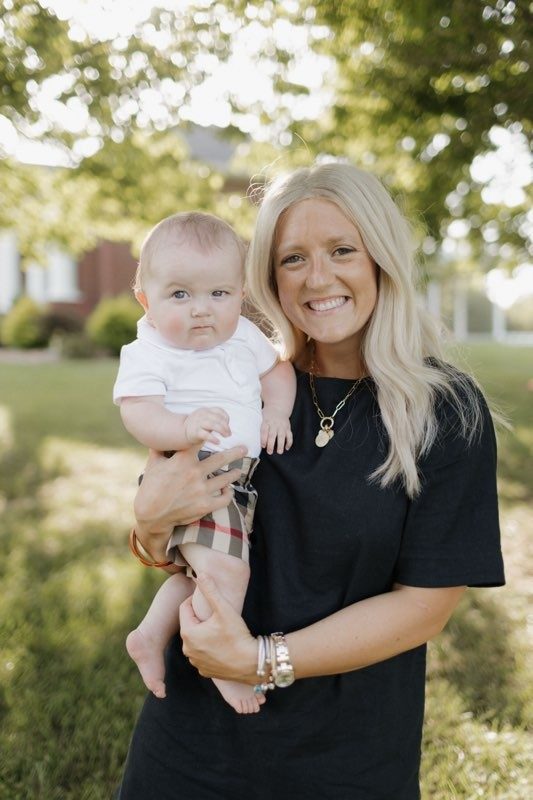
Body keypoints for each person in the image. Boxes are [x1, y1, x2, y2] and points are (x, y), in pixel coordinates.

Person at [116, 163, 504, 800]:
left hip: (345, 754)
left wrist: (260, 661)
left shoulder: (444, 410)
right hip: (191, 743)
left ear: (380, 257)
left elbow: (424, 607)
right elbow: (175, 544)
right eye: (293, 257)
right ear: (267, 276)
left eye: (342, 250)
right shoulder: (239, 383)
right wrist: (149, 521)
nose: (318, 278)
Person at [113, 211, 296, 714]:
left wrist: (276, 410)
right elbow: (138, 412)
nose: (201, 311)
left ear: (241, 294)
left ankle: (151, 635)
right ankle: (221, 662)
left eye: (219, 294)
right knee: (228, 576)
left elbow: (278, 373)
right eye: (180, 295)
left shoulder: (243, 338)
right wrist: (184, 428)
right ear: (146, 302)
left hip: (235, 480)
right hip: (198, 473)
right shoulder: (149, 350)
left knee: (201, 577)